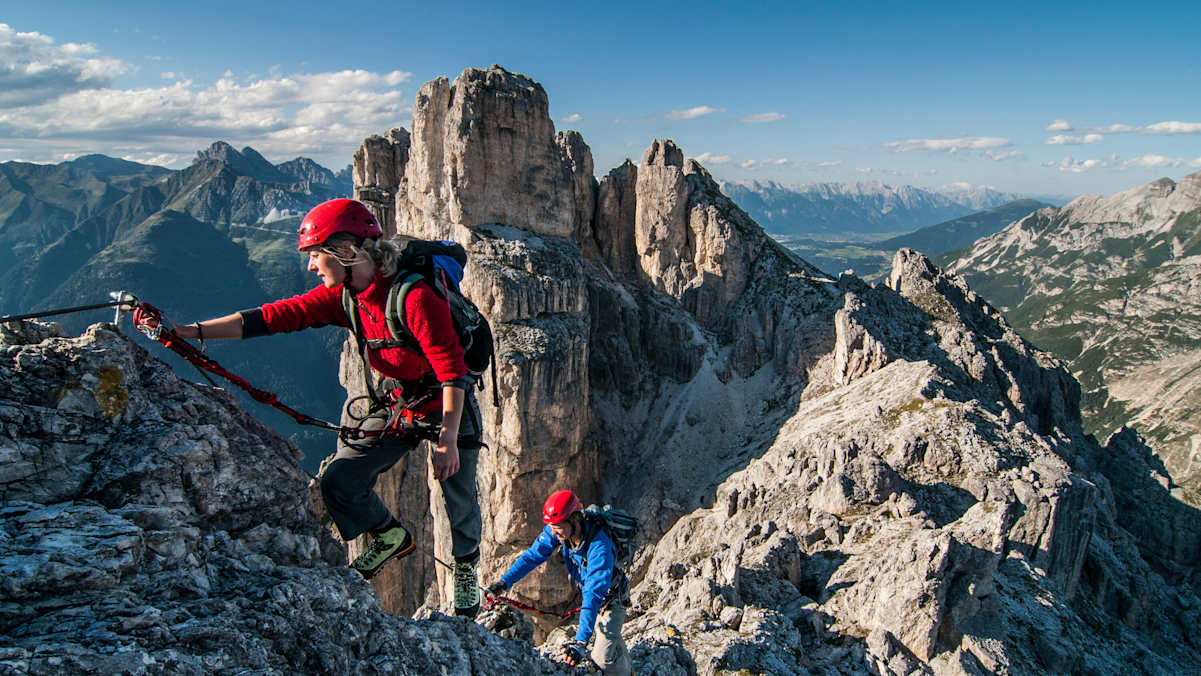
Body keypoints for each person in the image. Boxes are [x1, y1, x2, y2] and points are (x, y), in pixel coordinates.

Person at [171, 198, 485, 617]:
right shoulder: (344, 298)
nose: (311, 267)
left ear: (346, 251)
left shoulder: (413, 297)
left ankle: (466, 578)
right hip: (399, 401)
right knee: (339, 480)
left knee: (458, 495)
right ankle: (389, 536)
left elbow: (452, 368)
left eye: (315, 255)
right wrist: (189, 332)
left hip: (445, 404)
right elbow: (273, 317)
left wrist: (447, 437)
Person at [488, 490, 631, 675]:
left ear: (575, 520)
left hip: (612, 600)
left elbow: (593, 595)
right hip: (594, 596)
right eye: (551, 527)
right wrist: (504, 583)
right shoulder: (560, 532)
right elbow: (533, 556)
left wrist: (580, 643)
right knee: (608, 642)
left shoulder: (599, 548)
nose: (553, 532)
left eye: (558, 527)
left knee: (602, 659)